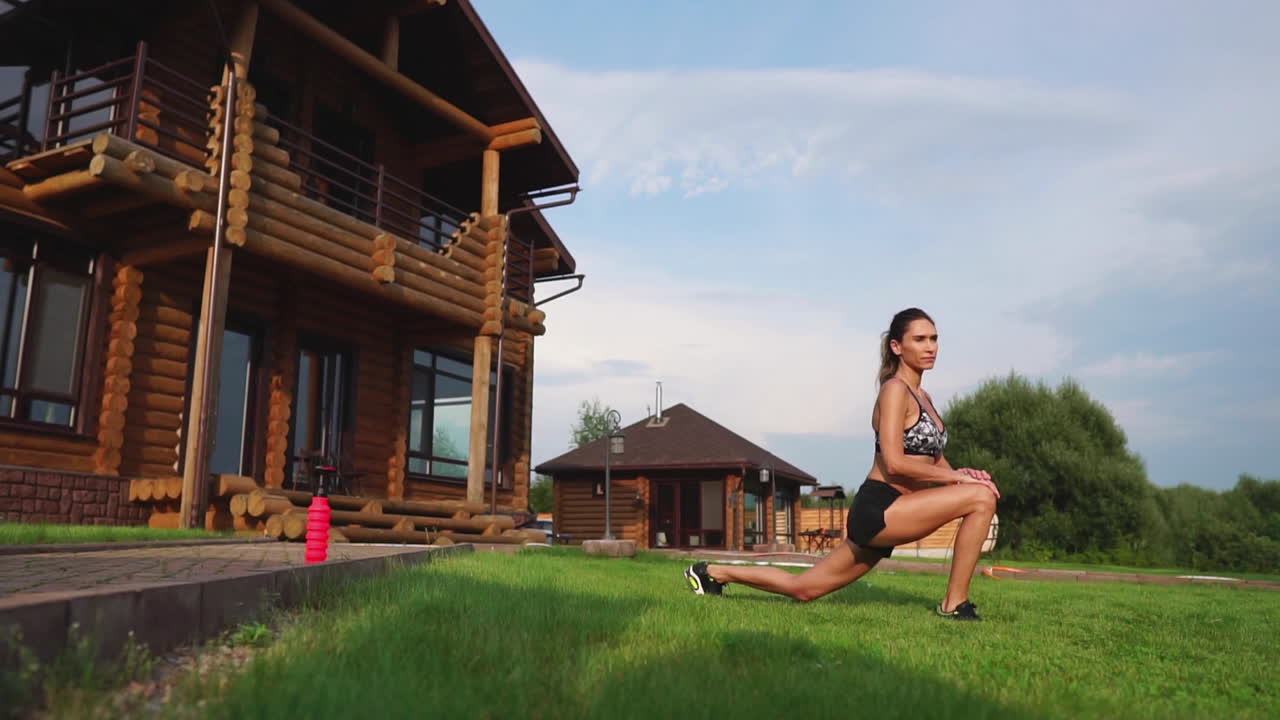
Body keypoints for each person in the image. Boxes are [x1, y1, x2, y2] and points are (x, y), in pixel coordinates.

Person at [684, 308, 1000, 620]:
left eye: (934, 338)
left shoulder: (924, 396)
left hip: (904, 509)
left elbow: (934, 458)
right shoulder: (894, 391)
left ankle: (712, 572)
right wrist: (962, 482)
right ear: (897, 346)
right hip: (879, 510)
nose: (930, 347)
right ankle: (954, 605)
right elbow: (894, 461)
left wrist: (961, 476)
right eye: (919, 339)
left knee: (804, 588)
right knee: (982, 497)